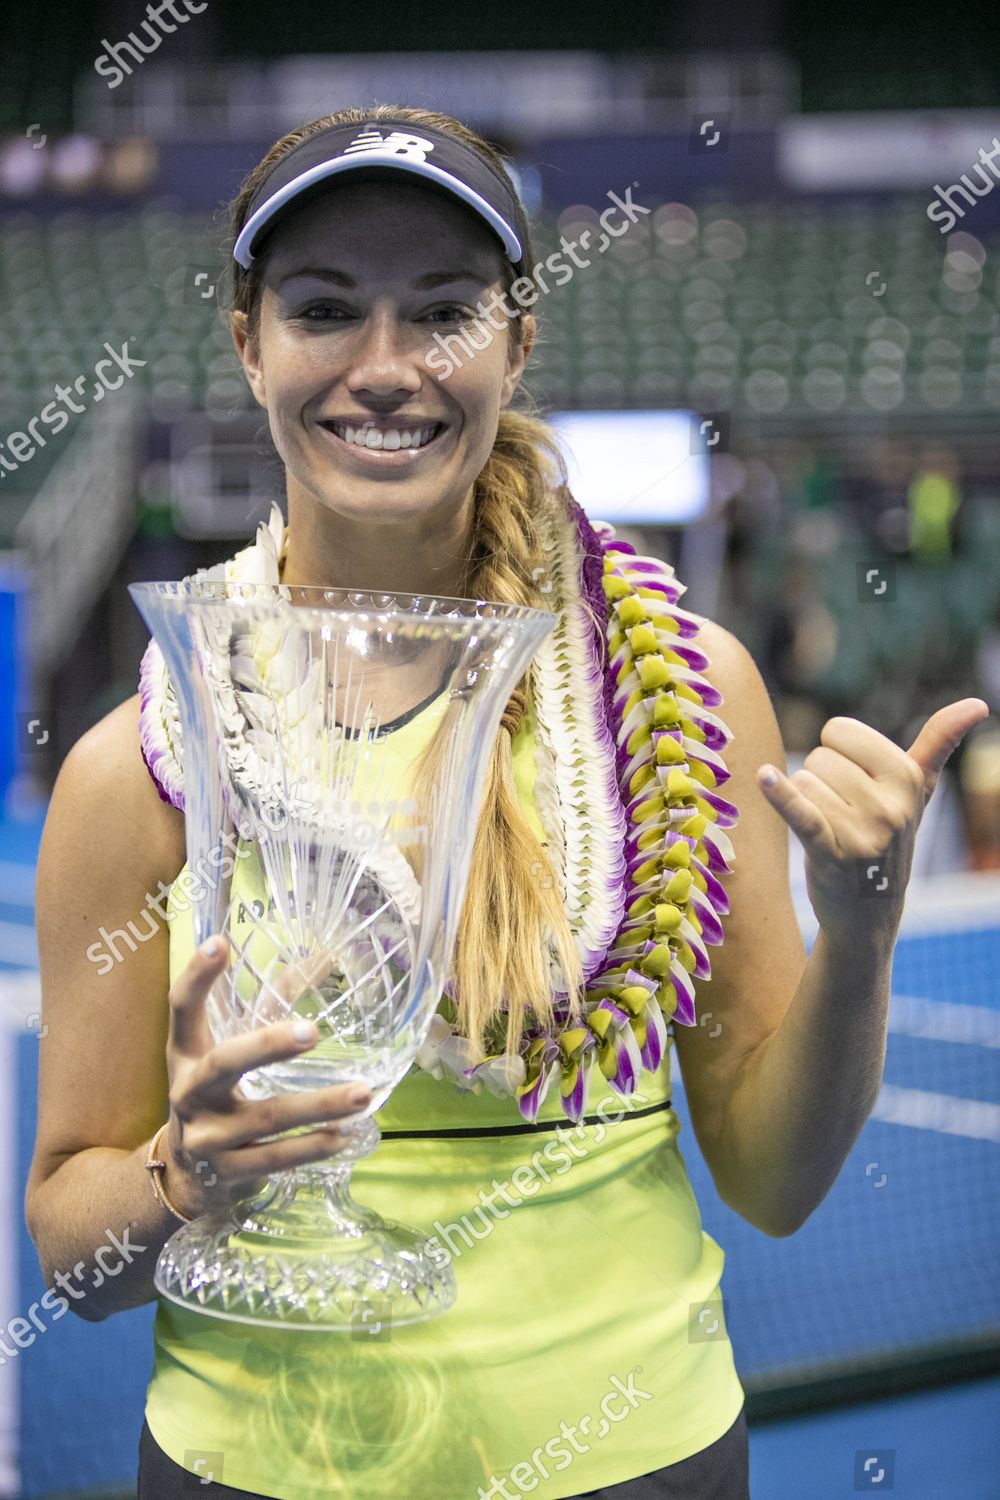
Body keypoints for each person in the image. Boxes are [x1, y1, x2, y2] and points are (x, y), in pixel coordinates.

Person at [24, 105, 988, 1500]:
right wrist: (186, 1180)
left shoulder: (687, 703)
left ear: (518, 342)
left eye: (445, 311)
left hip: (642, 1456)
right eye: (324, 309)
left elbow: (776, 1184)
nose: (385, 367)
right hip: (258, 1470)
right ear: (248, 343)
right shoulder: (142, 767)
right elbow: (71, 1255)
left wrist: (861, 934)